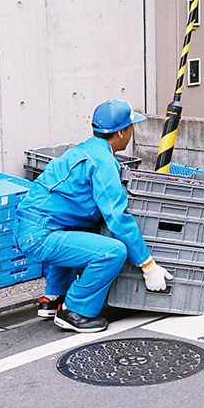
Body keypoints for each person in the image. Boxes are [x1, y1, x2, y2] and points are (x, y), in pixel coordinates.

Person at [15, 99, 173, 333]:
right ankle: (75, 312)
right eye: (131, 128)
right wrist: (148, 265)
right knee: (113, 252)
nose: (132, 133)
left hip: (32, 227)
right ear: (121, 133)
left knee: (78, 231)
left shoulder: (84, 149)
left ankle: (55, 298)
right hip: (40, 235)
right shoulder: (103, 162)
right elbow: (117, 218)